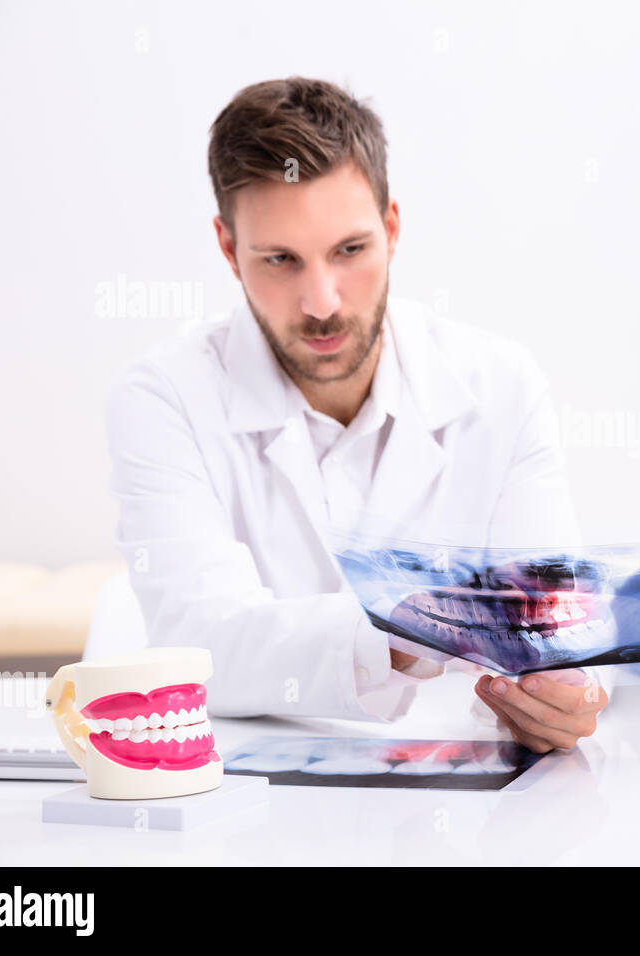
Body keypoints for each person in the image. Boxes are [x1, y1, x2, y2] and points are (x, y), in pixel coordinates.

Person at [105, 76, 607, 754]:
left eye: (350, 251)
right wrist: (409, 627)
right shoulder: (164, 398)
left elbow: (550, 632)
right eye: (280, 259)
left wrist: (560, 696)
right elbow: (198, 642)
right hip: (248, 815)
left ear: (392, 229)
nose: (322, 301)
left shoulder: (502, 387)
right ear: (228, 250)